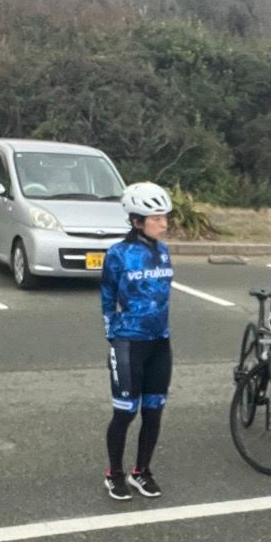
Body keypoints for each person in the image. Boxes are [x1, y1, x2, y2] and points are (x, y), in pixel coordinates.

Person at [101, 182, 176, 501]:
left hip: (159, 342)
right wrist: (113, 337)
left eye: (165, 217)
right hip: (128, 343)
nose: (164, 223)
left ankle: (141, 471)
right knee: (125, 412)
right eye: (156, 218)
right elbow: (107, 297)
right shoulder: (118, 254)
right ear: (136, 221)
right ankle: (114, 473)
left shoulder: (163, 250)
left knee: (154, 411)